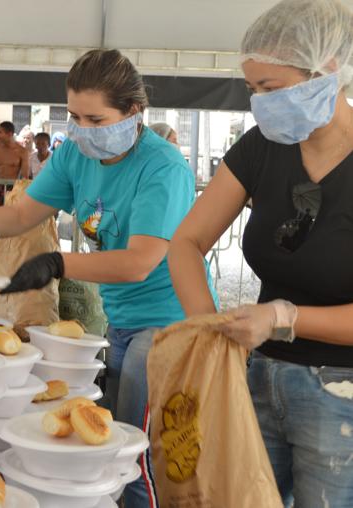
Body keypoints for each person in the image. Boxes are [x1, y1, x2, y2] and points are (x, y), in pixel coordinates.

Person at [0, 49, 214, 508]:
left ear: (134, 112)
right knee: (110, 436)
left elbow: (139, 262)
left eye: (95, 119)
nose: (82, 130)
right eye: (74, 116)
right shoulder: (74, 155)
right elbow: (21, 215)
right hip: (122, 318)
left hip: (171, 323)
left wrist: (58, 264)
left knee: (133, 454)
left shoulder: (164, 168)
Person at [169, 1, 353, 505]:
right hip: (257, 375)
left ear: (327, 70)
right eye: (252, 90)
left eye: (271, 88)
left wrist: (282, 316)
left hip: (340, 394)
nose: (260, 104)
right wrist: (205, 327)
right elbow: (186, 243)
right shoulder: (262, 147)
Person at [0, 121, 29, 209]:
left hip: (12, 189)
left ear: (9, 134)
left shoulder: (22, 151)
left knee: (10, 219)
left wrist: (23, 195)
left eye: (0, 132)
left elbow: (25, 176)